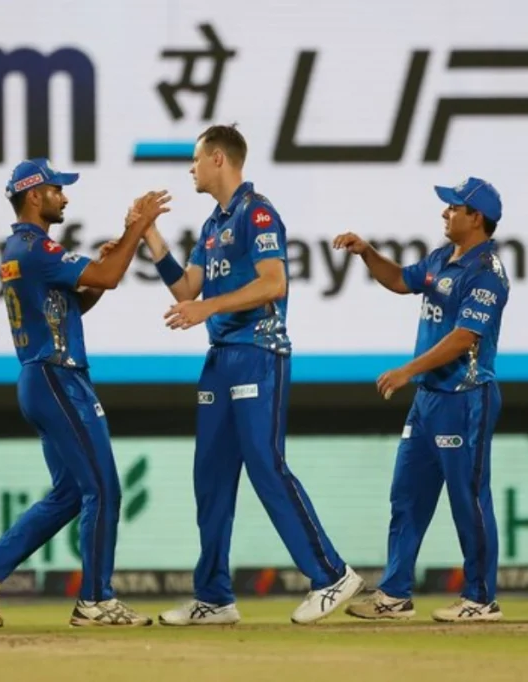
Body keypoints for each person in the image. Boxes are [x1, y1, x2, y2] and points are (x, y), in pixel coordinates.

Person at [144, 124, 363, 626]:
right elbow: (186, 290)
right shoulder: (212, 224)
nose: (191, 168)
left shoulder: (257, 212)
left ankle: (332, 574)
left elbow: (273, 283)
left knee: (265, 465)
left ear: (219, 159)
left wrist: (208, 308)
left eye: (197, 159)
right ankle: (215, 597)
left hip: (259, 352)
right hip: (221, 358)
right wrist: (150, 234)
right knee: (211, 478)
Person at [0, 158, 171, 627]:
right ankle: (95, 600)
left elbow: (78, 302)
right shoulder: (36, 248)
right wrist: (137, 227)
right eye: (57, 189)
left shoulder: (22, 248)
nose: (64, 197)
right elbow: (108, 275)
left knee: (71, 493)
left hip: (42, 379)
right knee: (104, 489)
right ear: (35, 195)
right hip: (58, 377)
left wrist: (115, 252)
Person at [334, 177, 510, 622]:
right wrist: (367, 252)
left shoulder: (486, 272)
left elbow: (464, 337)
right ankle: (394, 595)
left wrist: (408, 370)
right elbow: (399, 280)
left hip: (466, 397)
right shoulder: (441, 257)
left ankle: (480, 598)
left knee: (468, 499)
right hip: (429, 400)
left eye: (454, 207)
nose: (445, 213)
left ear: (477, 218)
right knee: (407, 497)